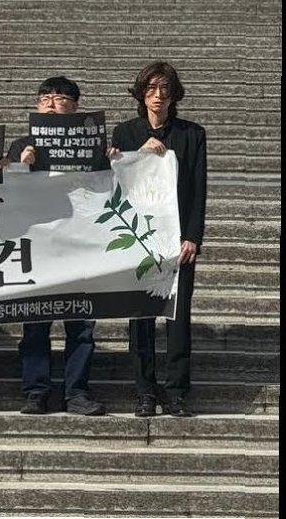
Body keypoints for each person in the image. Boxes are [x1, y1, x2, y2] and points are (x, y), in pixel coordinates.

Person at [112, 62, 206, 419]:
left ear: (174, 94)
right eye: (151, 88)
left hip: (177, 240)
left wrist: (192, 237)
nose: (158, 95)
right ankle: (144, 390)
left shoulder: (192, 135)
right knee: (140, 316)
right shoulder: (125, 133)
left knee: (178, 318)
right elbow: (114, 179)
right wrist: (135, 153)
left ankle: (178, 391)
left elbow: (198, 188)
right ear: (141, 94)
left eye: (165, 88)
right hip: (138, 238)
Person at [7, 76, 106, 417]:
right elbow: (8, 194)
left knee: (81, 325)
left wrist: (113, 159)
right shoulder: (22, 144)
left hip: (80, 245)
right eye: (44, 97)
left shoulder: (92, 144)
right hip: (38, 248)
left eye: (60, 98)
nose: (50, 103)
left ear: (75, 107)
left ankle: (76, 391)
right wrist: (21, 165)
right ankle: (36, 391)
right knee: (35, 324)